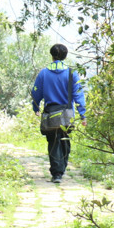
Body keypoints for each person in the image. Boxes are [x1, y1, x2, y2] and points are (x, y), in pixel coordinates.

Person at [31, 44, 85, 184]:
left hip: (50, 113)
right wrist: (82, 114)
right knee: (64, 141)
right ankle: (60, 170)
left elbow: (36, 92)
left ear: (52, 55)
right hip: (67, 113)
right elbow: (78, 94)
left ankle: (57, 172)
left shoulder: (44, 73)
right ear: (65, 56)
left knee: (53, 142)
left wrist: (35, 107)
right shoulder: (71, 73)